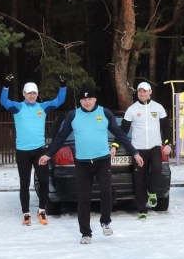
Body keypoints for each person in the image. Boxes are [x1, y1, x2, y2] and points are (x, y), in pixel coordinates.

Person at [39, 85, 143, 244]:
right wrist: (48, 154)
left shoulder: (105, 113)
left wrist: (134, 153)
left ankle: (106, 221)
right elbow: (61, 137)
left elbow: (120, 134)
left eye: (90, 99)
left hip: (102, 160)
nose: (87, 102)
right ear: (80, 101)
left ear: (95, 99)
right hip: (83, 163)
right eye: (84, 99)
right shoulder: (73, 115)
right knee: (84, 198)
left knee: (106, 192)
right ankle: (85, 233)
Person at [0, 74, 66, 226]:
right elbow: (4, 101)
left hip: (39, 151)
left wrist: (63, 86)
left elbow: (59, 101)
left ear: (37, 94)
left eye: (34, 93)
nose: (31, 96)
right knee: (24, 183)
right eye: (29, 93)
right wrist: (5, 86)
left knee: (43, 181)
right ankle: (26, 213)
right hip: (22, 152)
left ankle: (41, 210)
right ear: (23, 94)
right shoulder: (18, 107)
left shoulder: (42, 107)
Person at [121, 82, 172, 220]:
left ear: (150, 92)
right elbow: (123, 130)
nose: (142, 94)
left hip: (155, 147)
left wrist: (168, 144)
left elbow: (166, 127)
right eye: (140, 91)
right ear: (137, 93)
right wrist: (115, 145)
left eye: (145, 91)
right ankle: (142, 210)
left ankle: (153, 192)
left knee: (157, 168)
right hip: (138, 149)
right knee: (139, 179)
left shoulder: (158, 107)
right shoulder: (132, 109)